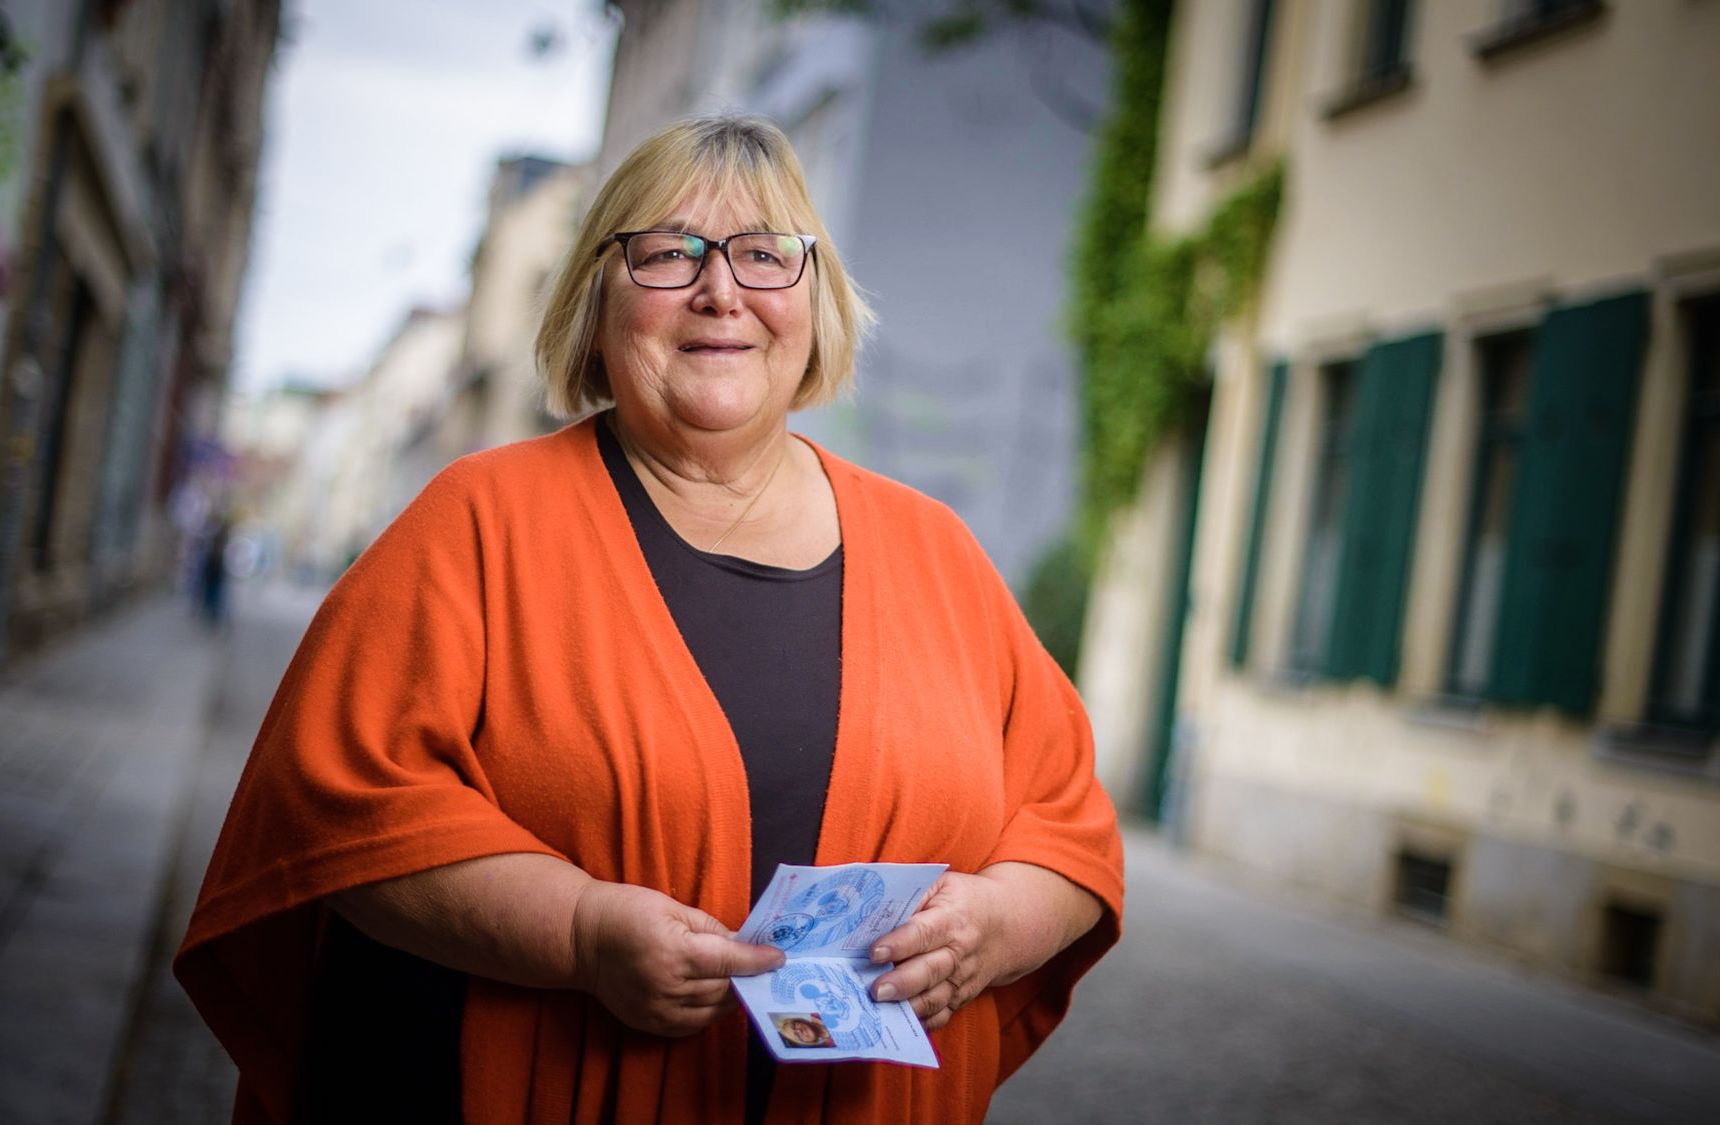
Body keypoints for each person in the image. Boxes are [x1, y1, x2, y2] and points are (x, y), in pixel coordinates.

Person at [175, 115, 1123, 1125]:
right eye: (668, 254)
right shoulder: (477, 523)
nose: (721, 290)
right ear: (598, 299)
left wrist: (996, 924)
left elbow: (1066, 827)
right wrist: (579, 933)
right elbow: (337, 808)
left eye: (764, 255)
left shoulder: (936, 553)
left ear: (814, 299)